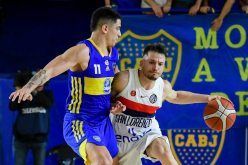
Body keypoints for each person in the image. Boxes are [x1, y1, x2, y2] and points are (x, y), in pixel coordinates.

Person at [9, 7, 126, 165]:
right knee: (103, 161)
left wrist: (113, 103)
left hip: (103, 122)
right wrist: (28, 87)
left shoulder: (113, 54)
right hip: (81, 121)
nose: (119, 33)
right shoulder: (83, 51)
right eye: (118, 29)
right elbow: (50, 70)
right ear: (105, 28)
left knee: (113, 162)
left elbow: (109, 87)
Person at [110, 43, 228, 165]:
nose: (156, 67)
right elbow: (103, 101)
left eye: (160, 64)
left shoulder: (163, 86)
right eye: (151, 62)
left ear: (163, 67)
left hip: (146, 134)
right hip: (119, 138)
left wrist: (207, 98)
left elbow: (176, 96)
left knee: (164, 150)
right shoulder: (124, 80)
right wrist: (112, 106)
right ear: (142, 63)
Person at [9, 69, 54, 165]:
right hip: (21, 138)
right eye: (35, 80)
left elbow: (48, 103)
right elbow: (12, 107)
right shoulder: (24, 94)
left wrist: (32, 89)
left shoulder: (48, 94)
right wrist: (21, 90)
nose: (38, 82)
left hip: (39, 139)